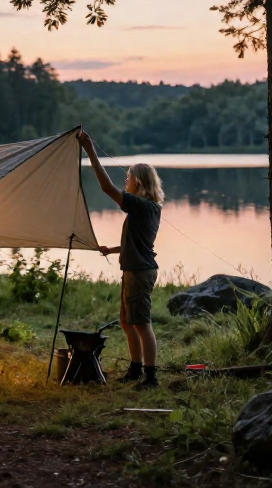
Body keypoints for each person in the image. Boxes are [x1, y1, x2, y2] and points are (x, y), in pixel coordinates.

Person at [77, 130, 164, 389]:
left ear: (137, 181)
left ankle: (150, 376)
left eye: (127, 177)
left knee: (141, 323)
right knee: (128, 322)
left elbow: (106, 189)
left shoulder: (142, 206)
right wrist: (113, 250)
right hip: (133, 269)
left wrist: (90, 150)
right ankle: (135, 369)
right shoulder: (144, 207)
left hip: (140, 271)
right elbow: (140, 242)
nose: (125, 181)